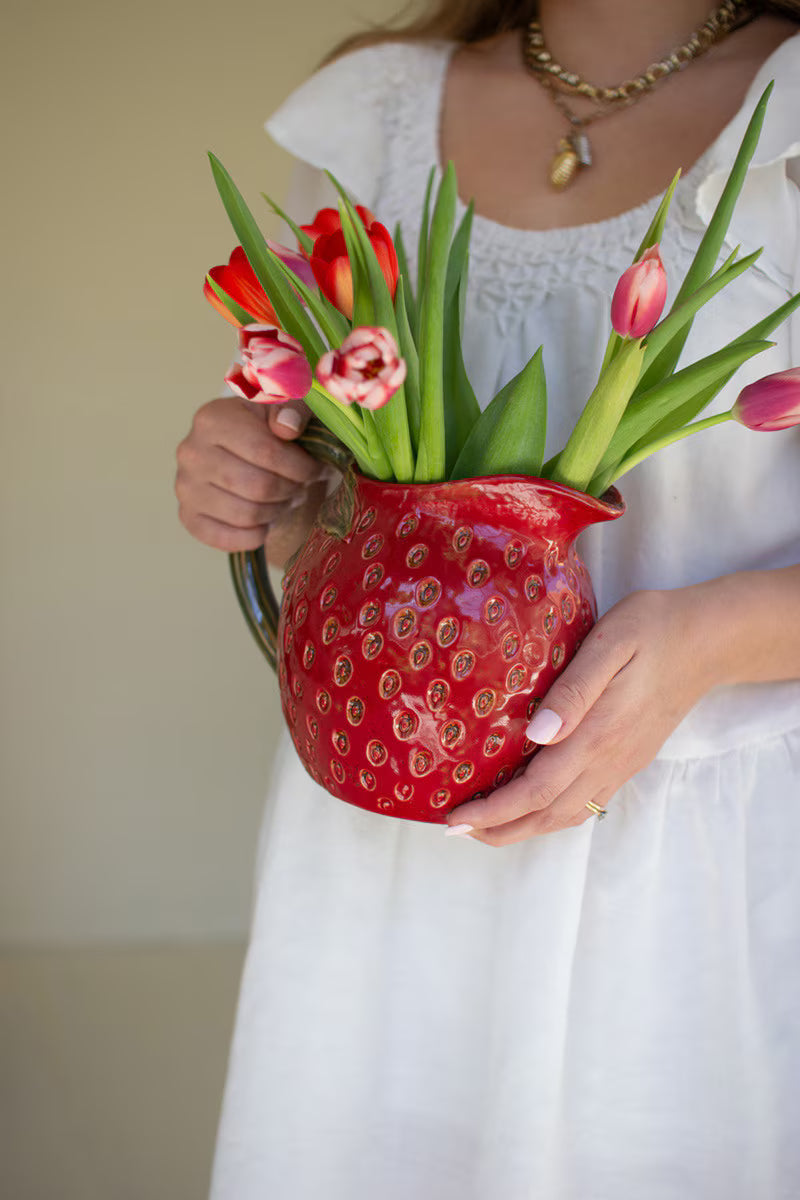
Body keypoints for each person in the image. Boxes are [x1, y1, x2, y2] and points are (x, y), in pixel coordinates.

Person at [175, 2, 800, 1196]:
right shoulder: (379, 109)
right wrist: (253, 468)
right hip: (387, 856)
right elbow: (337, 490)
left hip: (696, 879)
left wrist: (707, 641)